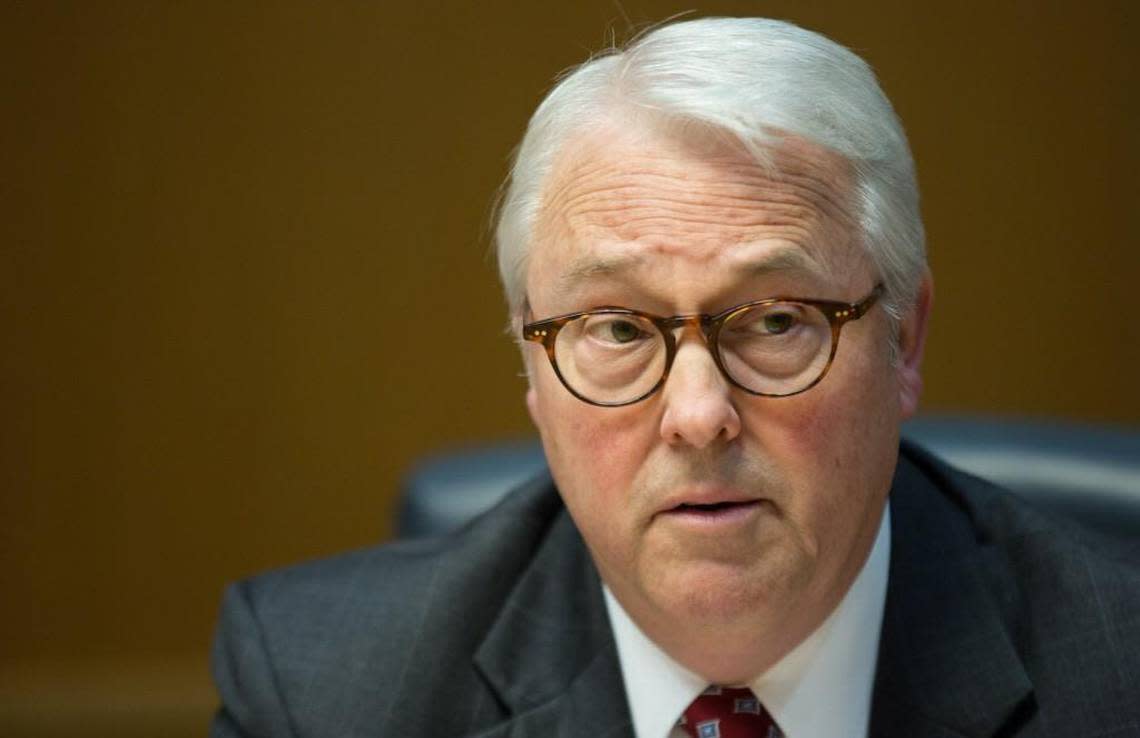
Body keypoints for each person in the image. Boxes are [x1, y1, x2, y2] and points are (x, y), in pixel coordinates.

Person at [210, 17, 1139, 738]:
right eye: (616, 327)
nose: (698, 415)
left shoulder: (1117, 673)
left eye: (776, 321)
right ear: (531, 367)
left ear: (903, 340)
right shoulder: (322, 691)